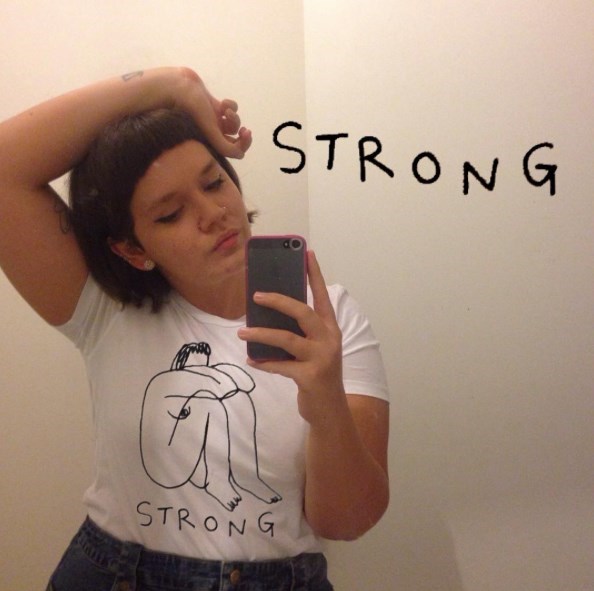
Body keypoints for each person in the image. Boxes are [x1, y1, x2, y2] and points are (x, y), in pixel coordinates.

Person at [0, 67, 389, 591]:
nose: (213, 213)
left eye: (213, 182)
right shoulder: (104, 311)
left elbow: (347, 522)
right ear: (132, 249)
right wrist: (172, 85)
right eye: (170, 214)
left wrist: (325, 403)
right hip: (116, 575)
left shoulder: (331, 319)